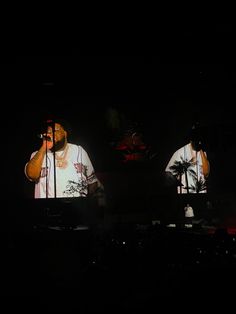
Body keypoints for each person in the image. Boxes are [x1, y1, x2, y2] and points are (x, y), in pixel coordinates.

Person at [25, 118, 100, 199]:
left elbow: (92, 182)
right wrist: (44, 147)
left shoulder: (78, 151)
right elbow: (32, 175)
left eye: (55, 130)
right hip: (47, 208)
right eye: (49, 131)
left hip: (76, 207)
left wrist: (87, 203)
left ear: (65, 133)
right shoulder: (38, 154)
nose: (51, 133)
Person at [165, 123, 210, 194]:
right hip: (185, 193)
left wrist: (201, 150)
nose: (197, 140)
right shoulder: (180, 152)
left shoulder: (203, 152)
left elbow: (206, 173)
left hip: (201, 193)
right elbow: (168, 174)